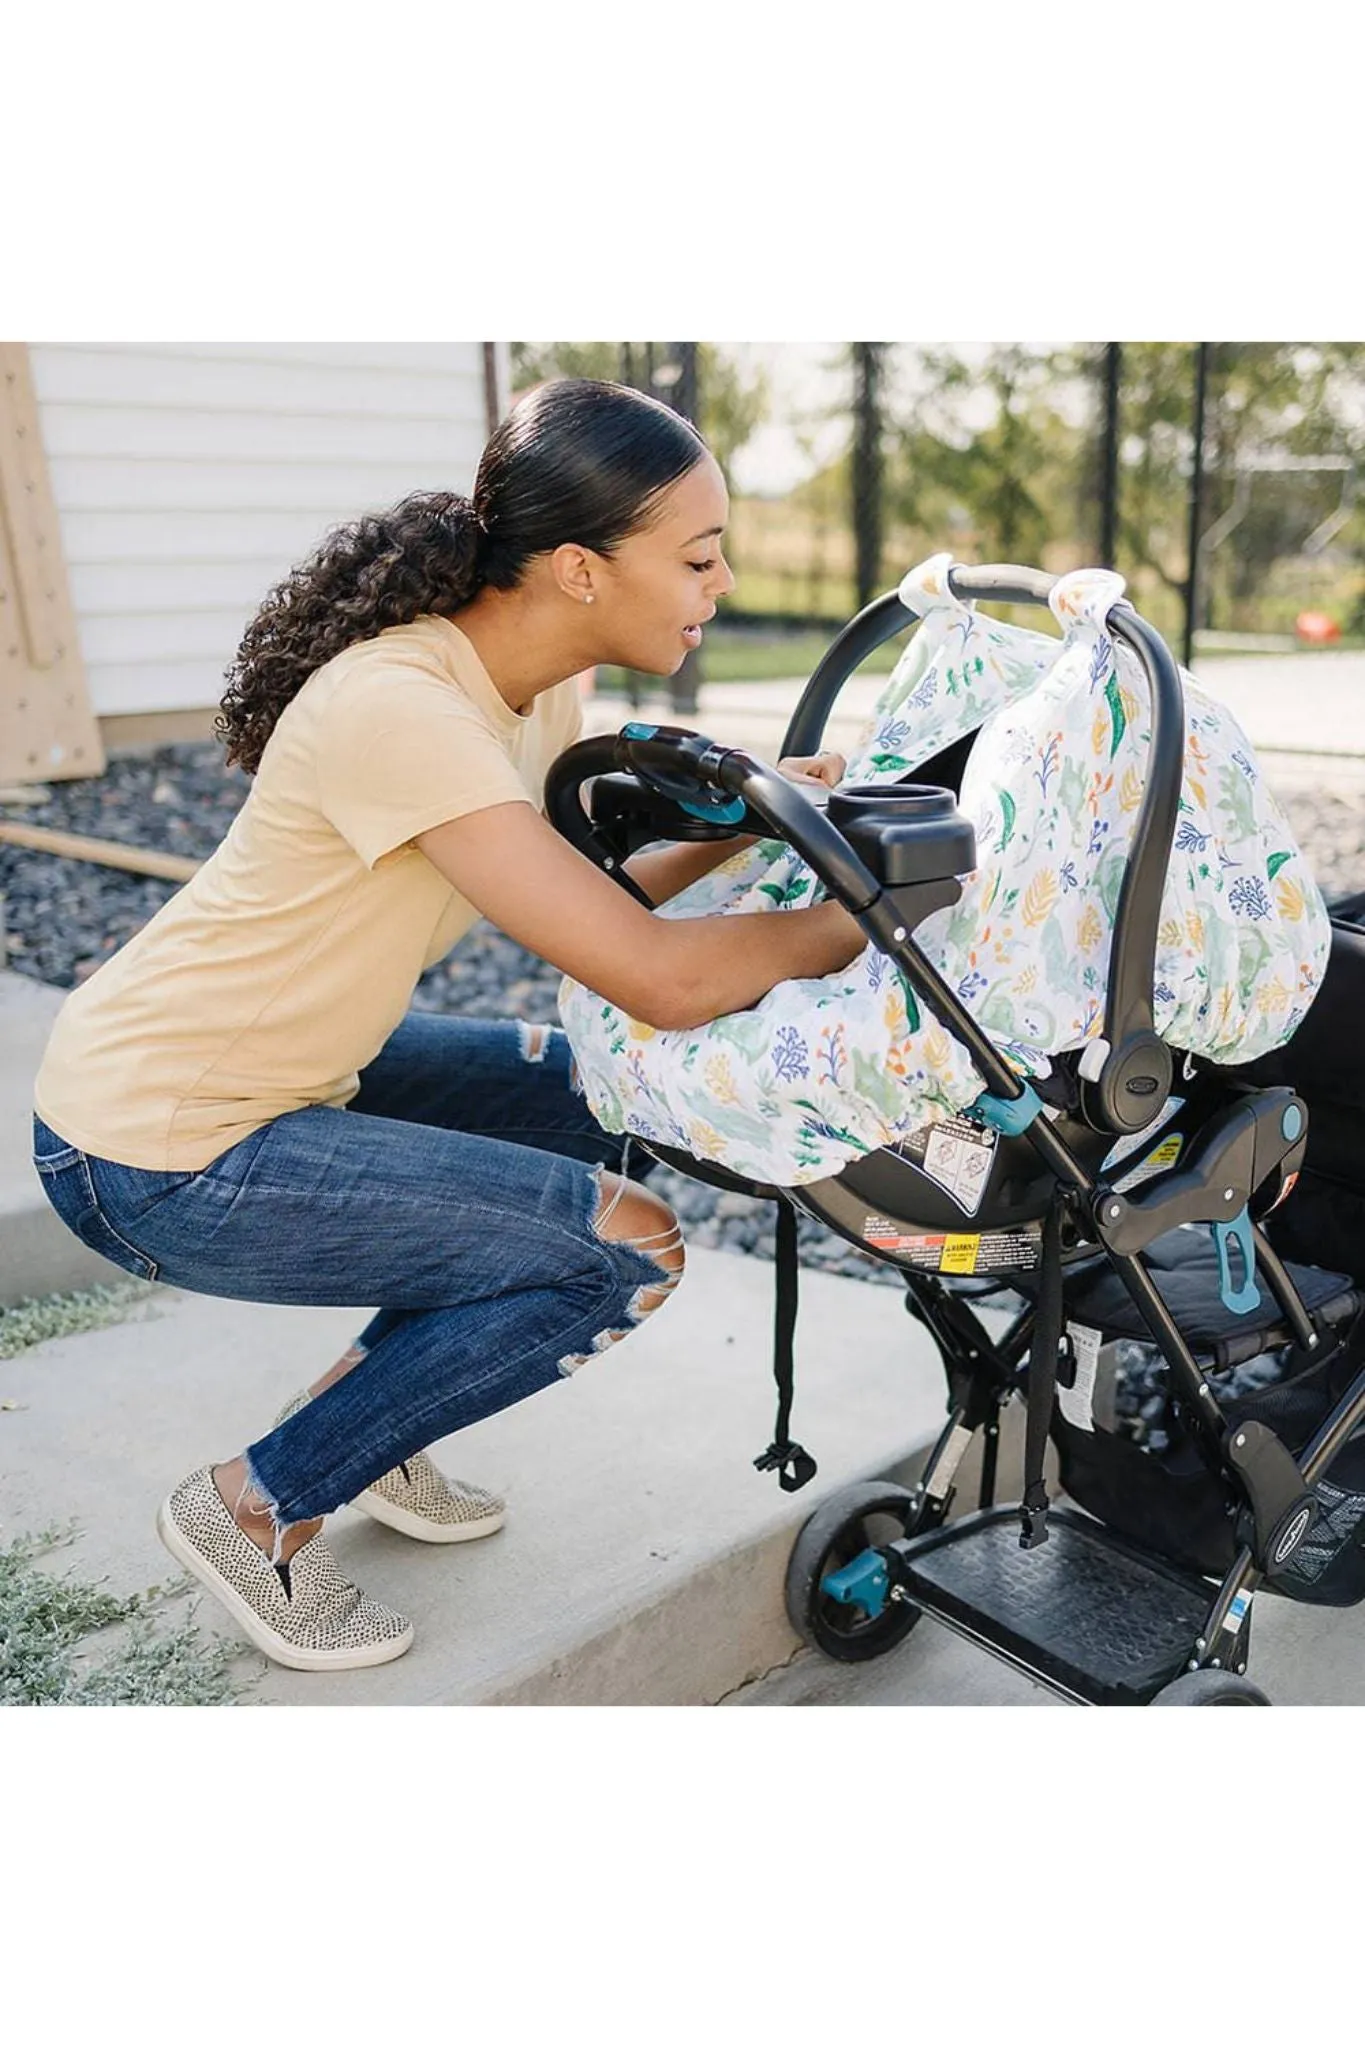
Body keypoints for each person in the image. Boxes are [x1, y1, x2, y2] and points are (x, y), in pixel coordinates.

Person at [30, 377, 862, 1673]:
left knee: (594, 1091)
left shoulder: (529, 693)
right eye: (697, 556)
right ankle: (255, 1506)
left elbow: (589, 914)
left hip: (277, 1080)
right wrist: (870, 914)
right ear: (582, 568)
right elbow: (663, 981)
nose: (723, 578)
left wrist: (750, 826)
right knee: (622, 1251)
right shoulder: (400, 707)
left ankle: (371, 1424)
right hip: (152, 1142)